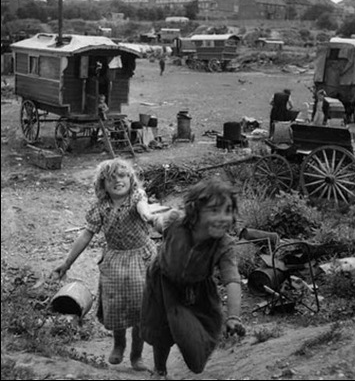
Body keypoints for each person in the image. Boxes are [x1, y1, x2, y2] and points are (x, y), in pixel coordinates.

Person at [52, 158, 157, 371]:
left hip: (140, 259)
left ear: (130, 179)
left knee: (141, 308)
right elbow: (86, 235)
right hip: (114, 261)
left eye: (122, 176)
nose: (117, 181)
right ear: (103, 185)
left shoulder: (136, 197)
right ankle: (119, 344)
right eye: (110, 179)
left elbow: (143, 208)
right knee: (115, 305)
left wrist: (149, 215)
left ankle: (136, 355)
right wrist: (67, 263)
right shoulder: (101, 207)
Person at [141, 177, 245, 380]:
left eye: (228, 211)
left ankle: (194, 349)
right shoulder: (175, 222)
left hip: (197, 292)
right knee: (161, 329)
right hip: (163, 283)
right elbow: (158, 222)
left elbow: (232, 280)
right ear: (195, 212)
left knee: (201, 336)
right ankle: (160, 371)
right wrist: (149, 214)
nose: (222, 217)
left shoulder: (224, 245)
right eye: (214, 211)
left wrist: (234, 316)